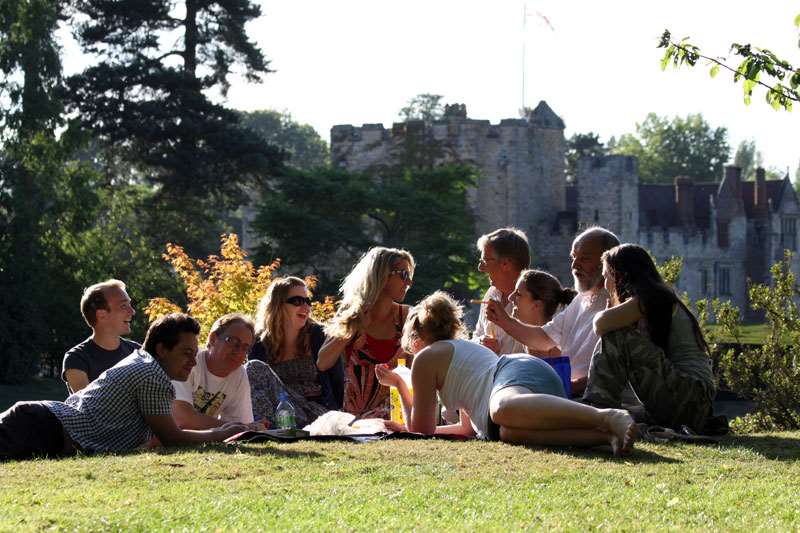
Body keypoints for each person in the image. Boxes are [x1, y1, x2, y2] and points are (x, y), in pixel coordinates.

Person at [375, 291, 637, 455]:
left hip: (515, 377)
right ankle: (604, 437)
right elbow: (466, 429)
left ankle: (605, 417)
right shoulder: (459, 352)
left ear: (417, 338)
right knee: (507, 433)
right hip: (526, 394)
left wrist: (399, 383)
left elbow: (422, 430)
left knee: (501, 409)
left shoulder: (426, 357)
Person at [0, 313, 247, 461]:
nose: (193, 362)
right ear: (162, 349)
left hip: (43, 429)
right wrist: (223, 432)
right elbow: (172, 437)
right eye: (186, 353)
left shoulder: (146, 362)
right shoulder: (152, 373)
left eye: (195, 354)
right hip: (40, 426)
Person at [582, 244, 715, 432]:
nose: (605, 284)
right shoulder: (656, 298)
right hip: (693, 404)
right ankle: (598, 412)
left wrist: (610, 309)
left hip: (692, 397)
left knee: (618, 336)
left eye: (606, 277)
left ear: (618, 275)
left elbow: (600, 325)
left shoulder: (652, 298)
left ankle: (594, 414)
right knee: (628, 413)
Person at [485, 227, 619, 396]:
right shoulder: (581, 300)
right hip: (566, 394)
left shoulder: (620, 305)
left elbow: (614, 370)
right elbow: (544, 338)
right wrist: (503, 320)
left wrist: (565, 388)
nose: (574, 265)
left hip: (589, 399)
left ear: (607, 262)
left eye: (584, 259)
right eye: (573, 257)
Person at [318, 247, 414, 419]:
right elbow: (323, 362)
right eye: (404, 275)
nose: (409, 283)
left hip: (400, 419)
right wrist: (353, 327)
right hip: (357, 423)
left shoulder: (408, 317)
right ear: (383, 276)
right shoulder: (352, 313)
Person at [246, 277, 344, 427]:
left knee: (253, 367)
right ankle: (267, 427)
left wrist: (340, 416)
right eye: (297, 301)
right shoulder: (260, 343)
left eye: (307, 301)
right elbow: (256, 389)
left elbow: (338, 380)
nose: (305, 307)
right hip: (280, 413)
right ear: (277, 305)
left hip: (317, 413)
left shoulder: (319, 335)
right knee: (252, 367)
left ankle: (268, 427)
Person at [171, 313, 256, 429]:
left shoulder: (239, 374)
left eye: (245, 348)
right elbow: (182, 418)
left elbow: (241, 427)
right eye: (233, 342)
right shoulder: (189, 363)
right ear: (213, 339)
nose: (239, 351)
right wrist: (234, 428)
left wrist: (244, 428)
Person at [62, 280, 140, 393]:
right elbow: (87, 406)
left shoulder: (138, 352)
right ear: (101, 315)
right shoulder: (76, 359)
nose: (132, 311)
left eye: (130, 305)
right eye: (123, 306)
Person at [472, 228, 530, 355]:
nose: (480, 268)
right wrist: (480, 342)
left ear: (505, 264)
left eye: (485, 261)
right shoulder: (492, 293)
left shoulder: (534, 301)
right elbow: (477, 334)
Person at [509, 270, 576, 356]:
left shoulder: (561, 350)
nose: (510, 297)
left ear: (537, 304)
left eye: (518, 294)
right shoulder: (520, 338)